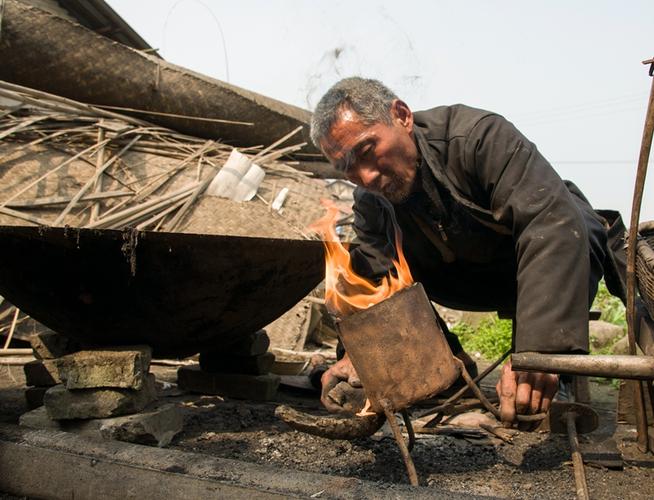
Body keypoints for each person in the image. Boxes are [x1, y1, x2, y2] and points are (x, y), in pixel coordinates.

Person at [309, 77, 627, 426]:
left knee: (573, 224)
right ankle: (447, 365)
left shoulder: (478, 138)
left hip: (545, 263)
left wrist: (541, 354)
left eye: (367, 152)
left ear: (401, 115)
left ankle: (555, 378)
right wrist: (362, 354)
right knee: (376, 266)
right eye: (348, 169)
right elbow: (372, 278)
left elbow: (548, 224)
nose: (365, 176)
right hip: (460, 279)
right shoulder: (371, 199)